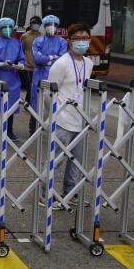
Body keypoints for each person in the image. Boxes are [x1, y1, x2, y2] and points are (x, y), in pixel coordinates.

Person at [46, 24, 94, 209]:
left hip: (80, 119)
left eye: (85, 38)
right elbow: (48, 92)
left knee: (76, 162)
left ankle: (71, 193)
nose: (81, 42)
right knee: (55, 160)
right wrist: (54, 113)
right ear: (69, 41)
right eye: (77, 39)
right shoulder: (61, 64)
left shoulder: (89, 63)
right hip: (62, 120)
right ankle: (45, 194)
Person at [29, 15, 68, 134]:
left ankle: (53, 129)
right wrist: (52, 57)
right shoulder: (38, 41)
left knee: (54, 103)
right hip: (39, 75)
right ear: (44, 27)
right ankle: (33, 130)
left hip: (56, 76)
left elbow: (62, 59)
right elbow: (37, 59)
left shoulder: (62, 41)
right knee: (36, 104)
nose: (51, 27)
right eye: (48, 25)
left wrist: (46, 58)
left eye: (54, 25)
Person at [19, 15, 43, 122]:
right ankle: (29, 104)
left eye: (37, 23)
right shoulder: (25, 36)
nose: (35, 25)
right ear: (30, 24)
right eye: (34, 23)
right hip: (27, 67)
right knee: (29, 87)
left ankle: (31, 103)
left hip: (38, 67)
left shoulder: (42, 37)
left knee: (35, 87)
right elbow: (22, 50)